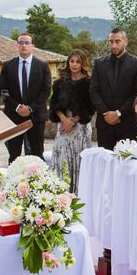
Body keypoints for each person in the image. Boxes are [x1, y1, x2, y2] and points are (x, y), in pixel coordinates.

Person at [0, 32, 52, 163]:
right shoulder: (8, 65)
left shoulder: (42, 65)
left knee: (37, 154)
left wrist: (30, 108)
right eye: (21, 42)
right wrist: (17, 107)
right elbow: (2, 91)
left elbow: (46, 91)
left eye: (27, 43)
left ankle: (36, 182)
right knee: (14, 154)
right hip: (14, 116)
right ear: (17, 45)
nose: (24, 45)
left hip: (36, 116)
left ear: (32, 46)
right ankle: (13, 183)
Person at [89, 28, 137, 150]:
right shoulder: (99, 63)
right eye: (111, 41)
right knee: (104, 163)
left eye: (117, 41)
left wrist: (118, 113)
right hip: (104, 124)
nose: (113, 45)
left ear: (126, 42)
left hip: (127, 124)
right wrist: (107, 114)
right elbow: (93, 91)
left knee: (127, 164)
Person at [49, 49, 94, 193]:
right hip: (62, 126)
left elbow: (90, 107)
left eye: (78, 61)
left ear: (83, 64)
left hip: (80, 127)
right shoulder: (60, 83)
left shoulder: (88, 83)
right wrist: (63, 119)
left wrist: (73, 121)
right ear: (68, 62)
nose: (74, 64)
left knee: (79, 161)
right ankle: (60, 196)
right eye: (72, 61)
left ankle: (78, 196)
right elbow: (54, 104)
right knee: (62, 160)